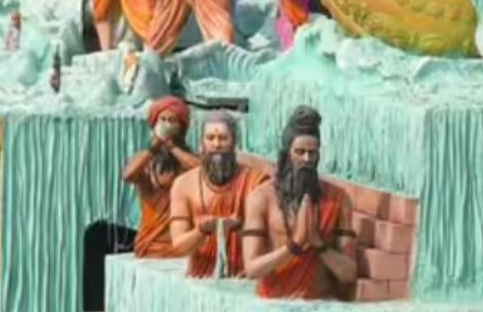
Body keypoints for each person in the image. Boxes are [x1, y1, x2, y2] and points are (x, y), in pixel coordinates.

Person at [243, 107, 358, 299]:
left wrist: (318, 244)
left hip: (319, 306)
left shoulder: (338, 199)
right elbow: (252, 269)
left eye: (312, 153)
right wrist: (294, 246)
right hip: (274, 305)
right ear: (287, 154)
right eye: (300, 152)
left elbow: (349, 274)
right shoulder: (261, 198)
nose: (306, 159)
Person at [169, 112, 267, 279]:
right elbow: (179, 247)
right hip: (201, 278)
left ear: (234, 142)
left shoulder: (256, 181)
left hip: (245, 280)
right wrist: (201, 231)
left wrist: (242, 228)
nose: (216, 144)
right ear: (201, 143)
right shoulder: (183, 185)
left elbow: (273, 237)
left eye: (223, 138)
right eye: (210, 138)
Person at [123, 97, 200, 259]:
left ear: (181, 127)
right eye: (162, 120)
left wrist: (172, 147)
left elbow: (204, 172)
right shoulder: (146, 162)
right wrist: (154, 147)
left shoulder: (189, 161)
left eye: (172, 121)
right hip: (152, 244)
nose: (167, 125)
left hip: (182, 244)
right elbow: (128, 175)